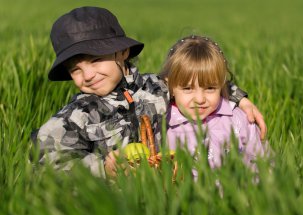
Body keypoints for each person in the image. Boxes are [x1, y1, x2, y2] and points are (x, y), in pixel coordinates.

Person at [32, 7, 266, 178]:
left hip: (162, 188)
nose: (88, 75)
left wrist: (239, 99)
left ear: (122, 52)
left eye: (95, 60)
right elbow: (45, 164)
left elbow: (197, 82)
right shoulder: (77, 115)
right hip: (113, 204)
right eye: (76, 69)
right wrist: (102, 168)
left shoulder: (154, 88)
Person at [161, 35, 269, 172]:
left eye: (210, 88)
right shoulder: (163, 123)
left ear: (222, 84)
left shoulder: (239, 119)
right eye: (188, 89)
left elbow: (264, 163)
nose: (200, 99)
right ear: (170, 85)